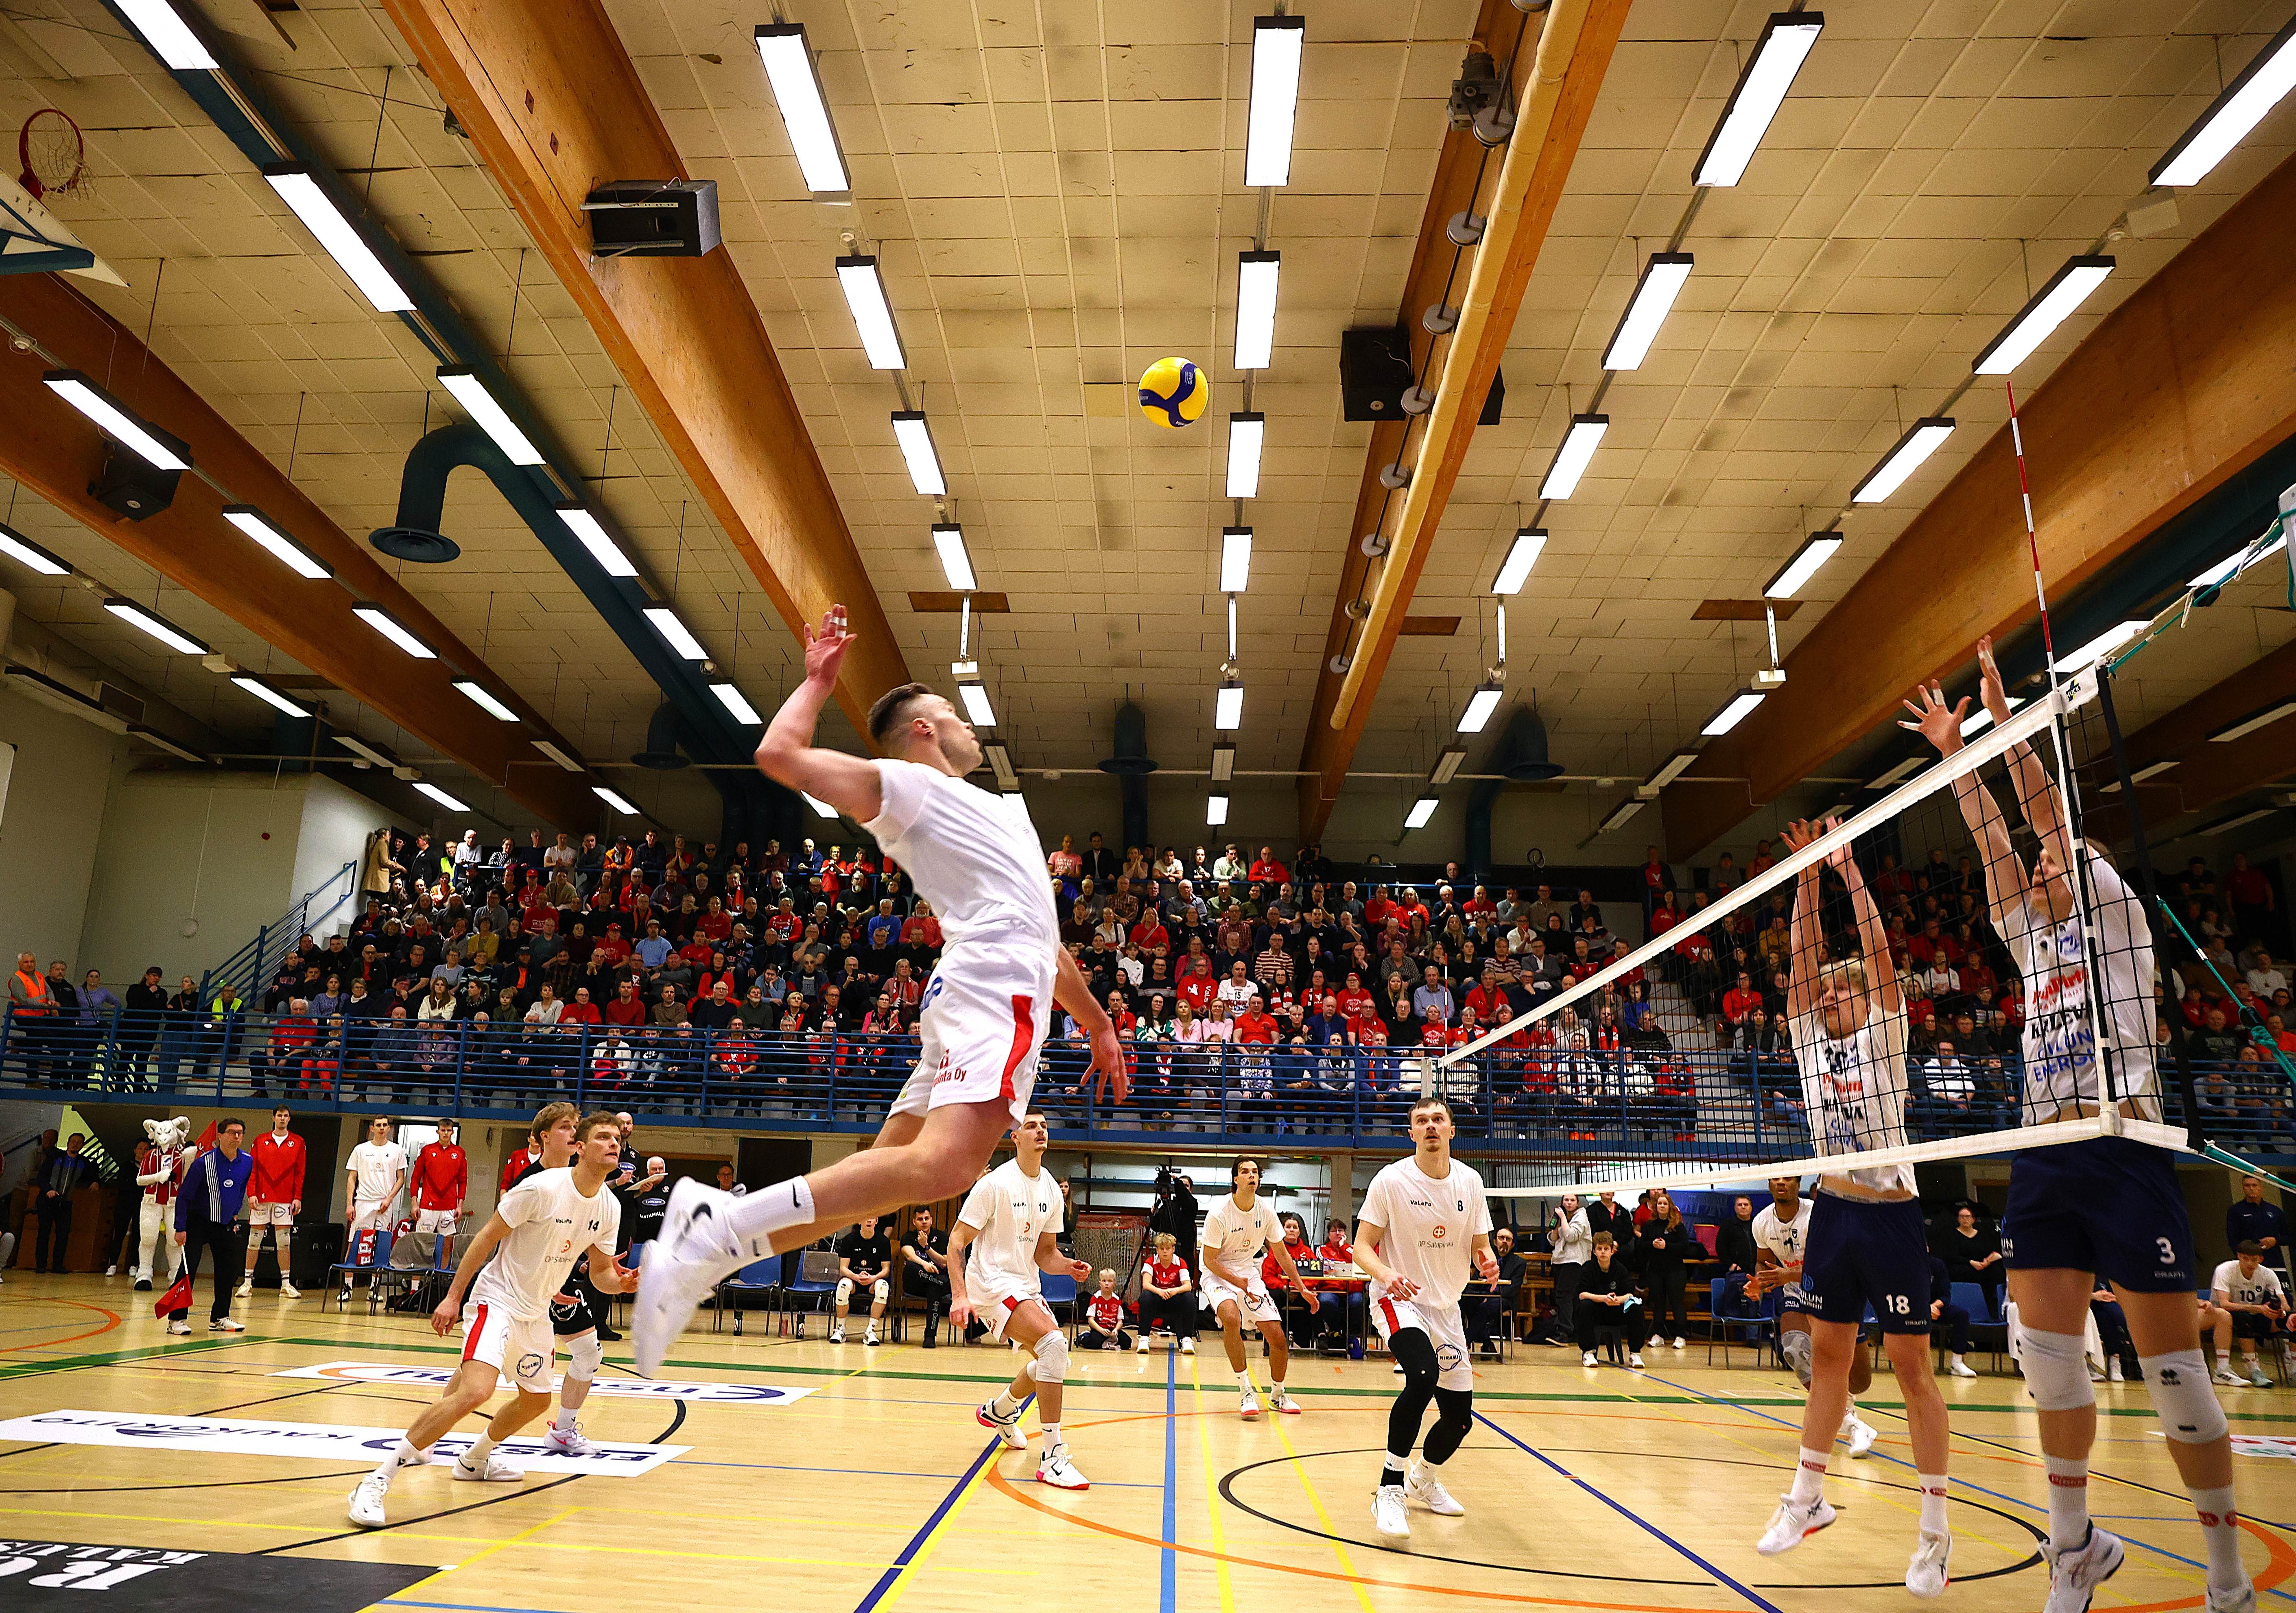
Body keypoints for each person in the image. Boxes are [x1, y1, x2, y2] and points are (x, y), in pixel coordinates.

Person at [634, 612, 1125, 1376]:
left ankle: (714, 1254)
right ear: (923, 729)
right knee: (948, 1169)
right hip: (992, 986)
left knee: (875, 1189)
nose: (966, 723)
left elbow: (1046, 942)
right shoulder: (912, 788)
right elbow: (778, 755)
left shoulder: (1001, 814)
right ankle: (717, 1222)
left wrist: (1096, 1023)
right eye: (953, 712)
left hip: (977, 983)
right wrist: (818, 682)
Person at [1906, 637, 2257, 1613]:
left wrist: (2008, 730)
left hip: (2123, 1146)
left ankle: (2226, 1575)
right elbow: (1995, 844)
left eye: (2054, 857)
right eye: (2038, 863)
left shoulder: (2118, 920)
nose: (2038, 863)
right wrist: (1955, 755)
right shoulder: (2032, 939)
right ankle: (2074, 1548)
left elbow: (2042, 818)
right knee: (2048, 1363)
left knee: (2175, 1376)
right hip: (2045, 1155)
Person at [1758, 816, 1952, 1598]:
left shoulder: (1884, 1035)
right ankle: (1806, 1497)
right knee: (1828, 1360)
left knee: (1909, 1368)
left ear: (1866, 1001)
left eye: (1845, 990)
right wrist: (1806, 877)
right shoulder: (1809, 1040)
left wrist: (1847, 872)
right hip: (1833, 1211)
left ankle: (1934, 1533)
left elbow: (1876, 955)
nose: (1831, 994)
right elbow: (1801, 960)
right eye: (1826, 990)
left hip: (1892, 1214)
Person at [347, 1109, 634, 1528]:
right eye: (603, 1137)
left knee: (536, 1400)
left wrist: (621, 1284)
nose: (613, 1144)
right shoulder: (540, 1187)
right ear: (580, 1147)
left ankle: (475, 1459)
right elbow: (485, 1238)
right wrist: (452, 1297)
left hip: (536, 1312)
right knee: (477, 1390)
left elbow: (602, 1272)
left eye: (617, 1140)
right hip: (496, 1299)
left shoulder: (609, 1206)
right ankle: (376, 1480)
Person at [1354, 1096, 1499, 1541]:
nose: (1431, 1125)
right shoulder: (1390, 1180)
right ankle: (1390, 1488)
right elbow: (1361, 1247)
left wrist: (1487, 1260)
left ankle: (1423, 1478)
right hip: (1399, 1299)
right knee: (1421, 1374)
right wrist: (1386, 1273)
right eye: (1422, 1120)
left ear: (1452, 1130)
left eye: (1438, 1119)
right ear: (1412, 1132)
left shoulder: (1471, 1181)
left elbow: (1480, 1244)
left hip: (1446, 1308)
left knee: (1459, 1420)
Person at [949, 1111, 1091, 1489]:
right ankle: (1053, 1457)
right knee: (1053, 1346)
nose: (1040, 1130)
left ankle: (1001, 1410)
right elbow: (956, 1240)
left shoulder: (1051, 1188)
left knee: (1054, 1358)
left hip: (1025, 1285)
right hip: (990, 1283)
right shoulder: (994, 1184)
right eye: (1031, 1126)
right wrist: (960, 1295)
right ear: (1014, 1137)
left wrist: (1068, 1267)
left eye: (1044, 1126)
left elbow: (1045, 1254)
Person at [1751, 1176, 1880, 1459]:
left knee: (1859, 1381)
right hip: (1796, 1292)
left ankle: (1848, 1412)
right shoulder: (1761, 1222)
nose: (1781, 1183)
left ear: (1798, 1182)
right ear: (1769, 1184)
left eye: (1787, 1178)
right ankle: (1851, 1423)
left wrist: (1788, 1273)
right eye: (1775, 1179)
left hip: (1835, 1290)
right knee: (1794, 1350)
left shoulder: (1817, 1216)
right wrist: (1759, 1280)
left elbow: (1830, 1266)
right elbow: (1763, 1261)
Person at [1199, 1156, 1305, 1419]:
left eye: (1255, 1172)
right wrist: (1236, 1283)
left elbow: (1282, 1255)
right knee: (1231, 1318)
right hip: (1217, 1274)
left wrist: (1303, 1288)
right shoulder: (1219, 1212)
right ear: (1236, 1179)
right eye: (1245, 1171)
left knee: (1277, 1337)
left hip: (1248, 1273)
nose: (1251, 1176)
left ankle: (1278, 1395)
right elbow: (1209, 1260)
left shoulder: (1266, 1211)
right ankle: (1245, 1390)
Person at [169, 1119, 252, 1334]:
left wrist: (235, 1214)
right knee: (188, 1269)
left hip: (225, 1224)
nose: (236, 1137)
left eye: (240, 1133)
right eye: (232, 1132)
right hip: (197, 1222)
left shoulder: (247, 1161)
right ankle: (176, 1320)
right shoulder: (203, 1164)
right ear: (220, 1136)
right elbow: (184, 1197)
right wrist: (180, 1227)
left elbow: (241, 1189)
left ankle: (220, 1317)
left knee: (228, 1270)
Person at [239, 1107, 305, 1299]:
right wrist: (251, 1194)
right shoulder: (260, 1140)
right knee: (254, 1240)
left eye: (286, 1116)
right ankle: (247, 1283)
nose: (283, 1119)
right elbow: (253, 1169)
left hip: (285, 1199)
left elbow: (300, 1172)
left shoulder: (298, 1142)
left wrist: (297, 1197)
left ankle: (286, 1284)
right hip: (261, 1198)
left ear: (289, 1119)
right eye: (280, 1116)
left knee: (284, 1241)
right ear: (274, 1118)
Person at [342, 1116, 407, 1303]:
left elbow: (401, 1179)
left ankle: (374, 1289)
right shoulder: (360, 1150)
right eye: (378, 1125)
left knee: (380, 1247)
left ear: (389, 1128)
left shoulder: (397, 1151)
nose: (382, 1128)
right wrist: (350, 1204)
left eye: (385, 1125)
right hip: (363, 1202)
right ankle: (347, 1288)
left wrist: (390, 1198)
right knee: (354, 1244)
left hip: (385, 1205)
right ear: (372, 1128)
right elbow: (352, 1178)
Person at [2209, 1242, 2288, 1389]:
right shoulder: (2225, 1270)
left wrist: (2279, 1311)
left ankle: (2293, 1366)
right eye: (2246, 1259)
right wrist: (2258, 1309)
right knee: (2244, 1318)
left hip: (2255, 1312)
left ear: (2261, 1259)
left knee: (2289, 1319)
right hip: (2224, 1314)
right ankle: (2253, 1368)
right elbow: (2224, 1304)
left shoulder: (2268, 1274)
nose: (2250, 1263)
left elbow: (2285, 1304)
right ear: (2239, 1257)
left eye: (2254, 1260)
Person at [134, 1128, 186, 1291]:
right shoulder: (151, 1155)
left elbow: (188, 1177)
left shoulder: (182, 1155)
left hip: (174, 1202)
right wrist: (158, 1177)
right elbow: (140, 1180)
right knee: (148, 1237)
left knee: (174, 1240)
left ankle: (176, 1276)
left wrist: (191, 1156)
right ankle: (144, 1274)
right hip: (152, 1201)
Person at [32, 1131, 90, 1272]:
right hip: (48, 1200)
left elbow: (92, 1175)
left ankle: (58, 1265)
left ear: (82, 1146)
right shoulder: (55, 1157)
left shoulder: (83, 1162)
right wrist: (48, 1190)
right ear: (68, 1143)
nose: (75, 1144)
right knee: (44, 1232)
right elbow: (41, 1176)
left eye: (79, 1143)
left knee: (63, 1234)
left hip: (65, 1203)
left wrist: (95, 1182)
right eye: (73, 1141)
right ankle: (41, 1265)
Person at [831, 1214, 893, 1346]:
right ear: (859, 1221)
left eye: (873, 1218)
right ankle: (841, 1330)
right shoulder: (849, 1240)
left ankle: (870, 1331)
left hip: (873, 1282)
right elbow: (843, 1269)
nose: (869, 1220)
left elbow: (886, 1270)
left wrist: (873, 1278)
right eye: (866, 1217)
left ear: (877, 1221)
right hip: (854, 1281)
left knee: (883, 1287)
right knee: (843, 1286)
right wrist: (856, 1277)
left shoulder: (883, 1241)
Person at [1466, 1224, 1525, 1358]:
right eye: (1501, 1238)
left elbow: (1512, 1290)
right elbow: (1474, 1282)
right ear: (1495, 1242)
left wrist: (1489, 1297)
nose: (1504, 1241)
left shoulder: (1519, 1263)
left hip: (1504, 1299)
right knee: (1467, 1302)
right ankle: (1487, 1344)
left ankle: (1465, 1342)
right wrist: (1477, 1295)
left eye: (1508, 1239)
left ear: (1513, 1244)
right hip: (1482, 1296)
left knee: (1482, 1309)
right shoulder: (1485, 1260)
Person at [1135, 1231, 1197, 1353]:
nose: (1165, 1252)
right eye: (1162, 1249)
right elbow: (1146, 1284)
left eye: (1168, 1249)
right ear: (1157, 1250)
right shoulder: (1150, 1262)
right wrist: (1160, 1291)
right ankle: (1144, 1338)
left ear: (1173, 1249)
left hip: (1174, 1299)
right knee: (1146, 1297)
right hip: (1157, 1298)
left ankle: (1186, 1339)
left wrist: (1174, 1291)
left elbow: (1188, 1286)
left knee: (1189, 1298)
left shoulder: (1181, 1263)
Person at [902, 1206, 952, 1348]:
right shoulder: (908, 1237)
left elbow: (944, 1262)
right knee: (911, 1266)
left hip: (934, 1284)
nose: (924, 1222)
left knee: (935, 1288)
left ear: (931, 1220)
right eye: (920, 1219)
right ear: (914, 1222)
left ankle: (930, 1336)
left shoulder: (941, 1237)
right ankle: (941, 1282)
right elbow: (910, 1256)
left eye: (926, 1218)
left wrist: (926, 1247)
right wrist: (925, 1265)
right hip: (916, 1283)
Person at [412, 1121, 469, 1244]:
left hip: (449, 1207)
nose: (446, 1133)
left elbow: (463, 1181)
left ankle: (444, 1260)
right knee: (422, 1243)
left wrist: (460, 1206)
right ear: (438, 1131)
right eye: (443, 1130)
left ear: (452, 1132)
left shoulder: (460, 1153)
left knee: (447, 1245)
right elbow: (416, 1178)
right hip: (428, 1206)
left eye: (449, 1130)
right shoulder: (427, 1151)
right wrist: (414, 1204)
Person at [2226, 1176, 2289, 1283]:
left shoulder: (2275, 1211)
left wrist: (2275, 1241)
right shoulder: (2236, 1211)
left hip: (2275, 1263)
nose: (2251, 1188)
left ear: (2261, 1187)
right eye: (2247, 1186)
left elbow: (2289, 1237)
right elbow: (2233, 1239)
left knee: (2281, 1293)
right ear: (2243, 1188)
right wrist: (2245, 1256)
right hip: (2250, 1265)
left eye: (2254, 1185)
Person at [1547, 1192, 1591, 1343]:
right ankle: (1573, 1331)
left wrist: (1564, 1219)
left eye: (1573, 1200)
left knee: (1564, 1295)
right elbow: (1553, 1241)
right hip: (1560, 1260)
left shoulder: (1581, 1217)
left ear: (1578, 1203)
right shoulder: (1562, 1218)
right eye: (1566, 1200)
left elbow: (1571, 1236)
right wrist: (1556, 1225)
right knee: (1564, 1296)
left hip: (1574, 1261)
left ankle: (1565, 1330)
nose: (1569, 1203)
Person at [1078, 1270, 1135, 1351]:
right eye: (1104, 1281)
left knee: (1127, 1342)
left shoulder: (1117, 1300)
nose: (1107, 1284)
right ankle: (1083, 1337)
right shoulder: (1095, 1298)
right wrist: (1101, 1330)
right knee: (1094, 1343)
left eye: (1110, 1281)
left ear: (1114, 1284)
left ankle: (1108, 1342)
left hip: (1112, 1330)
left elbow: (1120, 1321)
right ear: (1100, 1283)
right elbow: (1091, 1321)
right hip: (1099, 1330)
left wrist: (1116, 1330)